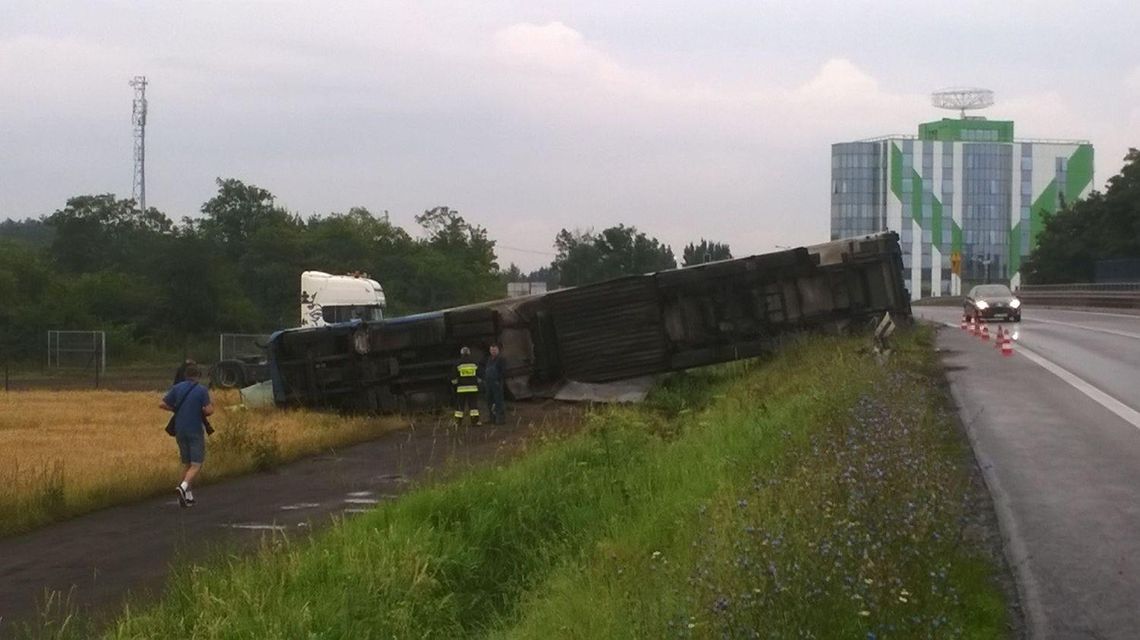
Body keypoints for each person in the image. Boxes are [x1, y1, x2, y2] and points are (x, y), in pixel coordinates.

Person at [160, 363, 214, 508]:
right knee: (196, 464)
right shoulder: (201, 390)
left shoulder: (177, 388)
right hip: (195, 429)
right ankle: (183, 487)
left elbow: (163, 404)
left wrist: (177, 409)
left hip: (180, 429)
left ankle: (188, 496)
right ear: (198, 375)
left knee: (187, 463)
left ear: (185, 375)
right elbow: (209, 411)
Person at [451, 346, 481, 426]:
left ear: (461, 353)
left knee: (460, 406)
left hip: (461, 389)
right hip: (473, 388)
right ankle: (475, 422)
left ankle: (458, 422)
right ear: (469, 353)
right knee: (473, 406)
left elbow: (453, 377)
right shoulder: (474, 363)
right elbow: (480, 375)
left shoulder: (458, 363)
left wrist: (456, 384)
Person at [482, 343, 507, 425]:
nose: (493, 351)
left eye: (495, 350)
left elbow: (503, 371)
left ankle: (500, 419)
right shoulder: (489, 359)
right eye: (492, 350)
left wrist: (498, 380)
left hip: (497, 382)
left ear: (498, 350)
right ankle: (491, 418)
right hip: (488, 383)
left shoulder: (501, 359)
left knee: (498, 401)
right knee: (489, 400)